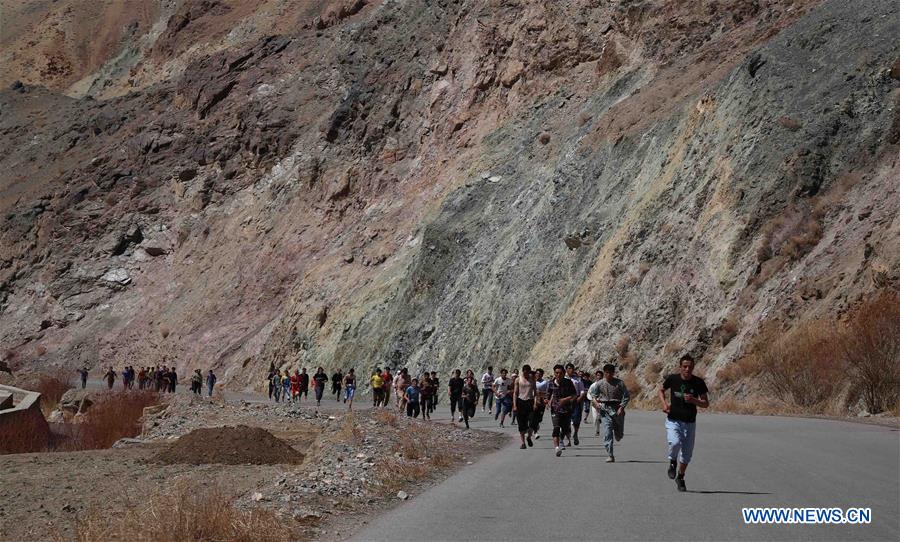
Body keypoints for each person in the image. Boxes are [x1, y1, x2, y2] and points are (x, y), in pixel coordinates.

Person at [658, 354, 709, 492]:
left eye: (690, 367)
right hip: (673, 420)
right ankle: (672, 462)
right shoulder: (673, 379)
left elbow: (705, 403)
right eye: (685, 366)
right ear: (680, 367)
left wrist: (694, 400)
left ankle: (680, 477)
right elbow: (661, 390)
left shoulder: (698, 382)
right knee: (675, 442)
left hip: (690, 422)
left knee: (687, 455)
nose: (687, 369)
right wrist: (664, 404)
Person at [589, 363, 630, 463]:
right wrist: (596, 403)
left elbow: (626, 396)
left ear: (613, 373)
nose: (608, 375)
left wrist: (621, 407)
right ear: (604, 373)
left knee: (619, 434)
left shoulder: (619, 383)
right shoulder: (599, 384)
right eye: (606, 373)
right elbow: (593, 395)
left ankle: (618, 434)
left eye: (610, 373)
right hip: (605, 409)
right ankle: (610, 455)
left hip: (617, 409)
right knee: (607, 432)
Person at [548, 364, 577, 457]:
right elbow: (548, 395)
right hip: (555, 409)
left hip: (566, 409)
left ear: (564, 373)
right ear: (554, 373)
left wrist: (565, 400)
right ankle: (557, 448)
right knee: (556, 427)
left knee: (565, 429)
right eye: (556, 373)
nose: (558, 375)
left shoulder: (568, 382)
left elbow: (574, 395)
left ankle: (562, 437)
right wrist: (546, 401)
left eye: (560, 373)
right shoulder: (551, 383)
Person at [512, 364, 537, 449]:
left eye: (528, 372)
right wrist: (514, 405)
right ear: (523, 371)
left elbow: (535, 393)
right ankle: (523, 443)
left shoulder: (532, 379)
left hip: (530, 401)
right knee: (521, 424)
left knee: (532, 422)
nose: (526, 374)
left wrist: (535, 403)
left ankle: (529, 436)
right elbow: (515, 393)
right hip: (520, 402)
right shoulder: (518, 379)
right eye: (525, 372)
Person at [565, 363, 586, 446]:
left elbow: (582, 390)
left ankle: (575, 434)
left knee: (576, 420)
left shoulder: (578, 379)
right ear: (566, 369)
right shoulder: (563, 379)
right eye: (569, 368)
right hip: (566, 401)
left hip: (576, 401)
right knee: (566, 421)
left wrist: (580, 398)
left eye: (572, 368)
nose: (571, 370)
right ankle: (568, 440)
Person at [532, 368, 548, 439]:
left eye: (539, 374)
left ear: (542, 375)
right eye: (537, 373)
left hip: (541, 402)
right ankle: (535, 432)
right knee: (533, 417)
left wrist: (541, 393)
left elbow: (547, 392)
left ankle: (536, 424)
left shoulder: (544, 382)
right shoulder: (532, 381)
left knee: (539, 418)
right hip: (532, 401)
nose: (538, 375)